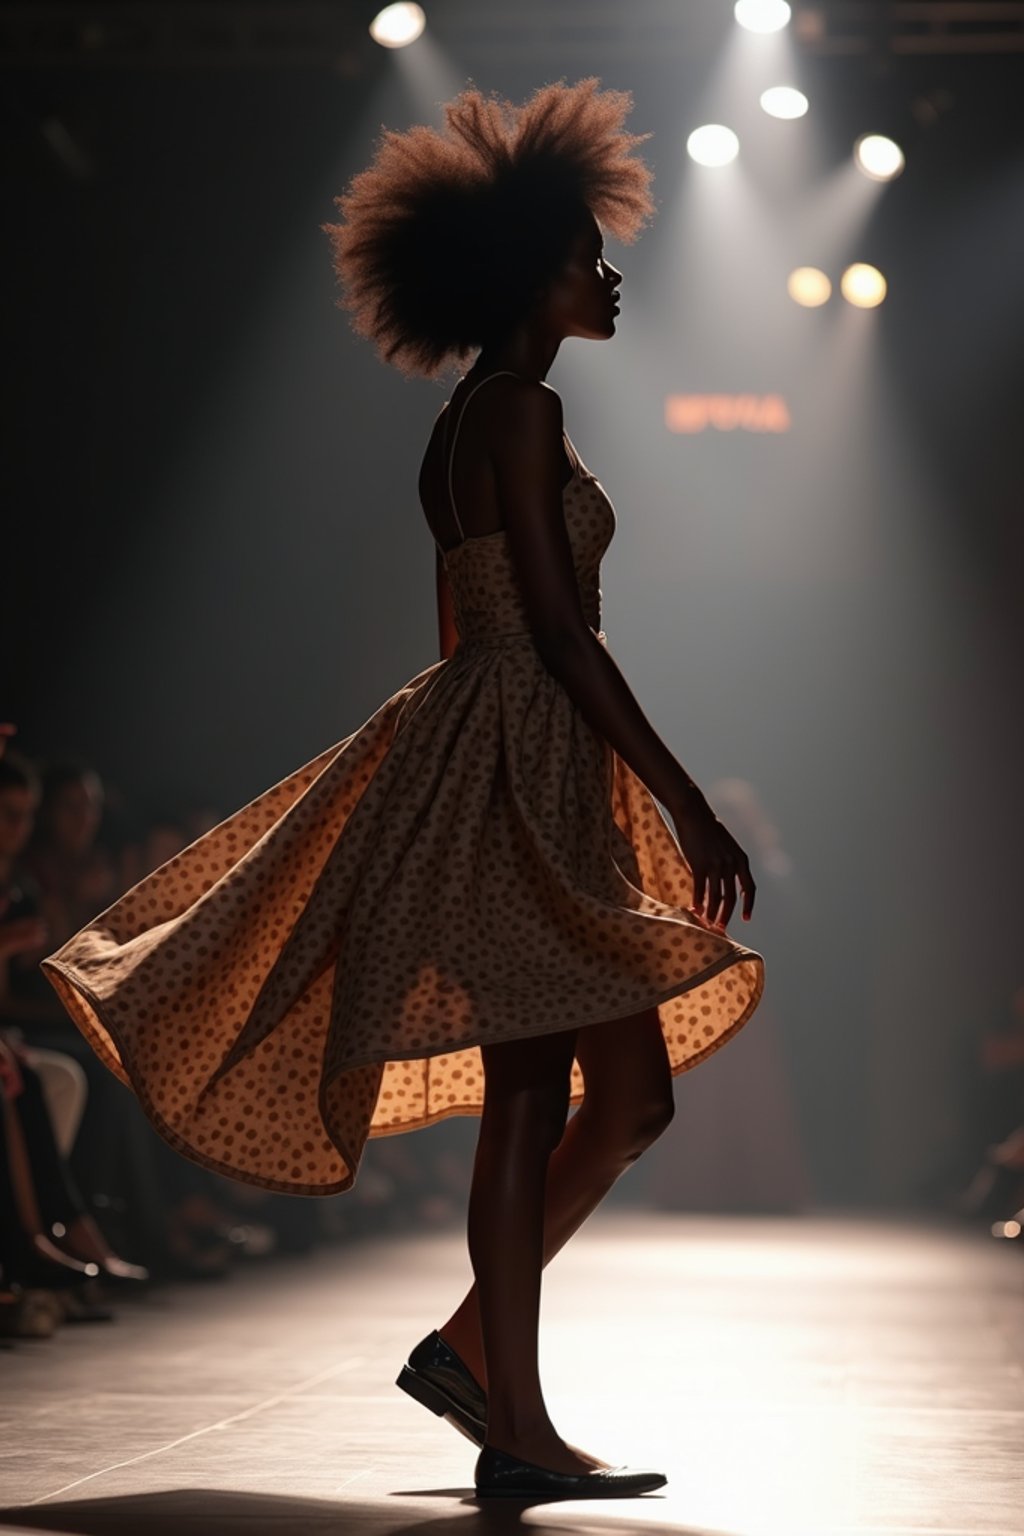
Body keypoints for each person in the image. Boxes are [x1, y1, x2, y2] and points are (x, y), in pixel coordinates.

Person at [39, 78, 765, 1500]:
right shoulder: (522, 419)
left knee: (618, 1097)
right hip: (520, 753)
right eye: (586, 260)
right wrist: (685, 801)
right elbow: (557, 634)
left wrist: (507, 761)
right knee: (541, 1096)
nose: (608, 278)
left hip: (498, 753)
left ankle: (471, 1355)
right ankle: (514, 1425)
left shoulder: (465, 423)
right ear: (525, 277)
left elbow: (472, 628)